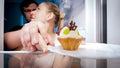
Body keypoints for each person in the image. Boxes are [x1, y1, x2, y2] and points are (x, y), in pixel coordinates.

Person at [7, 2, 73, 68]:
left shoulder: (60, 42)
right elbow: (10, 64)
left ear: (49, 16)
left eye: (38, 9)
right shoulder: (28, 36)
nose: (32, 13)